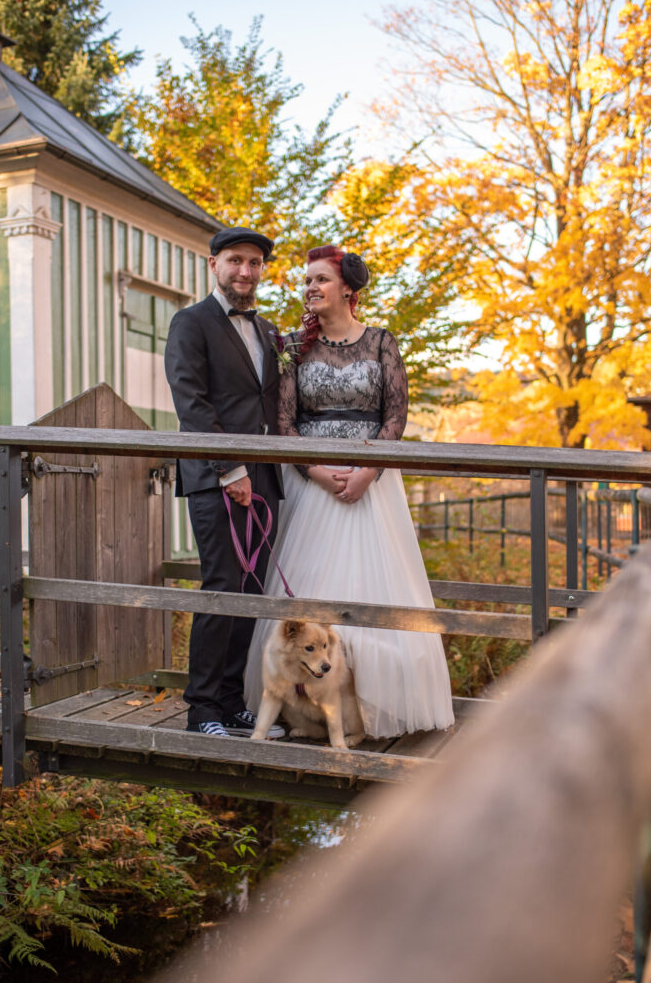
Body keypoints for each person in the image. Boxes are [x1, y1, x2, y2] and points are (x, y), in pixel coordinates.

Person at [244, 245, 454, 739]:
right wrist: (315, 469)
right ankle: (303, 710)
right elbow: (284, 421)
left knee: (378, 589)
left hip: (372, 483)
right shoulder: (295, 345)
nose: (310, 288)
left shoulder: (382, 342)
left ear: (348, 290)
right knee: (310, 589)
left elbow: (395, 416)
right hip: (312, 485)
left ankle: (370, 707)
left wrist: (367, 470)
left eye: (320, 280)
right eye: (307, 281)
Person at [165, 226, 285, 738]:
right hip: (217, 476)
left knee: (253, 590)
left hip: (268, 476)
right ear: (212, 263)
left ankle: (234, 701)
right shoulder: (190, 322)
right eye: (236, 260)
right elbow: (191, 403)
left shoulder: (268, 331)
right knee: (222, 586)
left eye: (255, 263)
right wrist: (229, 469)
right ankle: (203, 710)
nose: (245, 271)